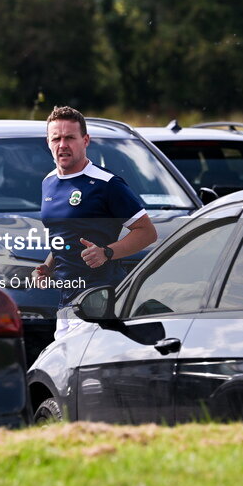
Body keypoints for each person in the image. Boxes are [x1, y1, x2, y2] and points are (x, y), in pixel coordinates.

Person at [34, 106, 157, 338]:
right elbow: (64, 236)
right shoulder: (48, 182)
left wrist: (106, 252)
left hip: (100, 300)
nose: (63, 145)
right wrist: (47, 267)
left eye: (70, 137)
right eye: (56, 138)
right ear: (48, 142)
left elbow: (147, 232)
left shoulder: (107, 183)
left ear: (85, 140)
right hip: (66, 302)